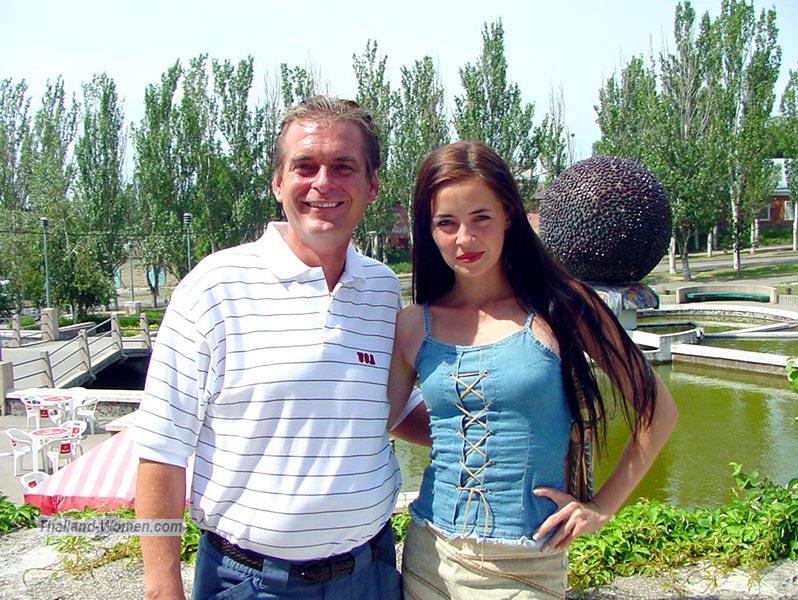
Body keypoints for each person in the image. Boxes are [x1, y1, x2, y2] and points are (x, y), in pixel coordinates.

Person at [134, 96, 423, 600]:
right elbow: (161, 449)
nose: (322, 183)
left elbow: (386, 409)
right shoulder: (214, 287)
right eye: (304, 166)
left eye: (343, 167)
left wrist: (507, 437)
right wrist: (162, 589)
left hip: (372, 574)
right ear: (277, 183)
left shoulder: (381, 289)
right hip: (249, 582)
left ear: (372, 185)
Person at [387, 141, 679, 599]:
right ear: (429, 230)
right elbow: (382, 417)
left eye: (481, 217)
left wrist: (602, 506)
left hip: (527, 565)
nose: (465, 238)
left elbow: (657, 409)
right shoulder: (412, 324)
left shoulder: (562, 306)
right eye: (447, 223)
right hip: (429, 559)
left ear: (508, 215)